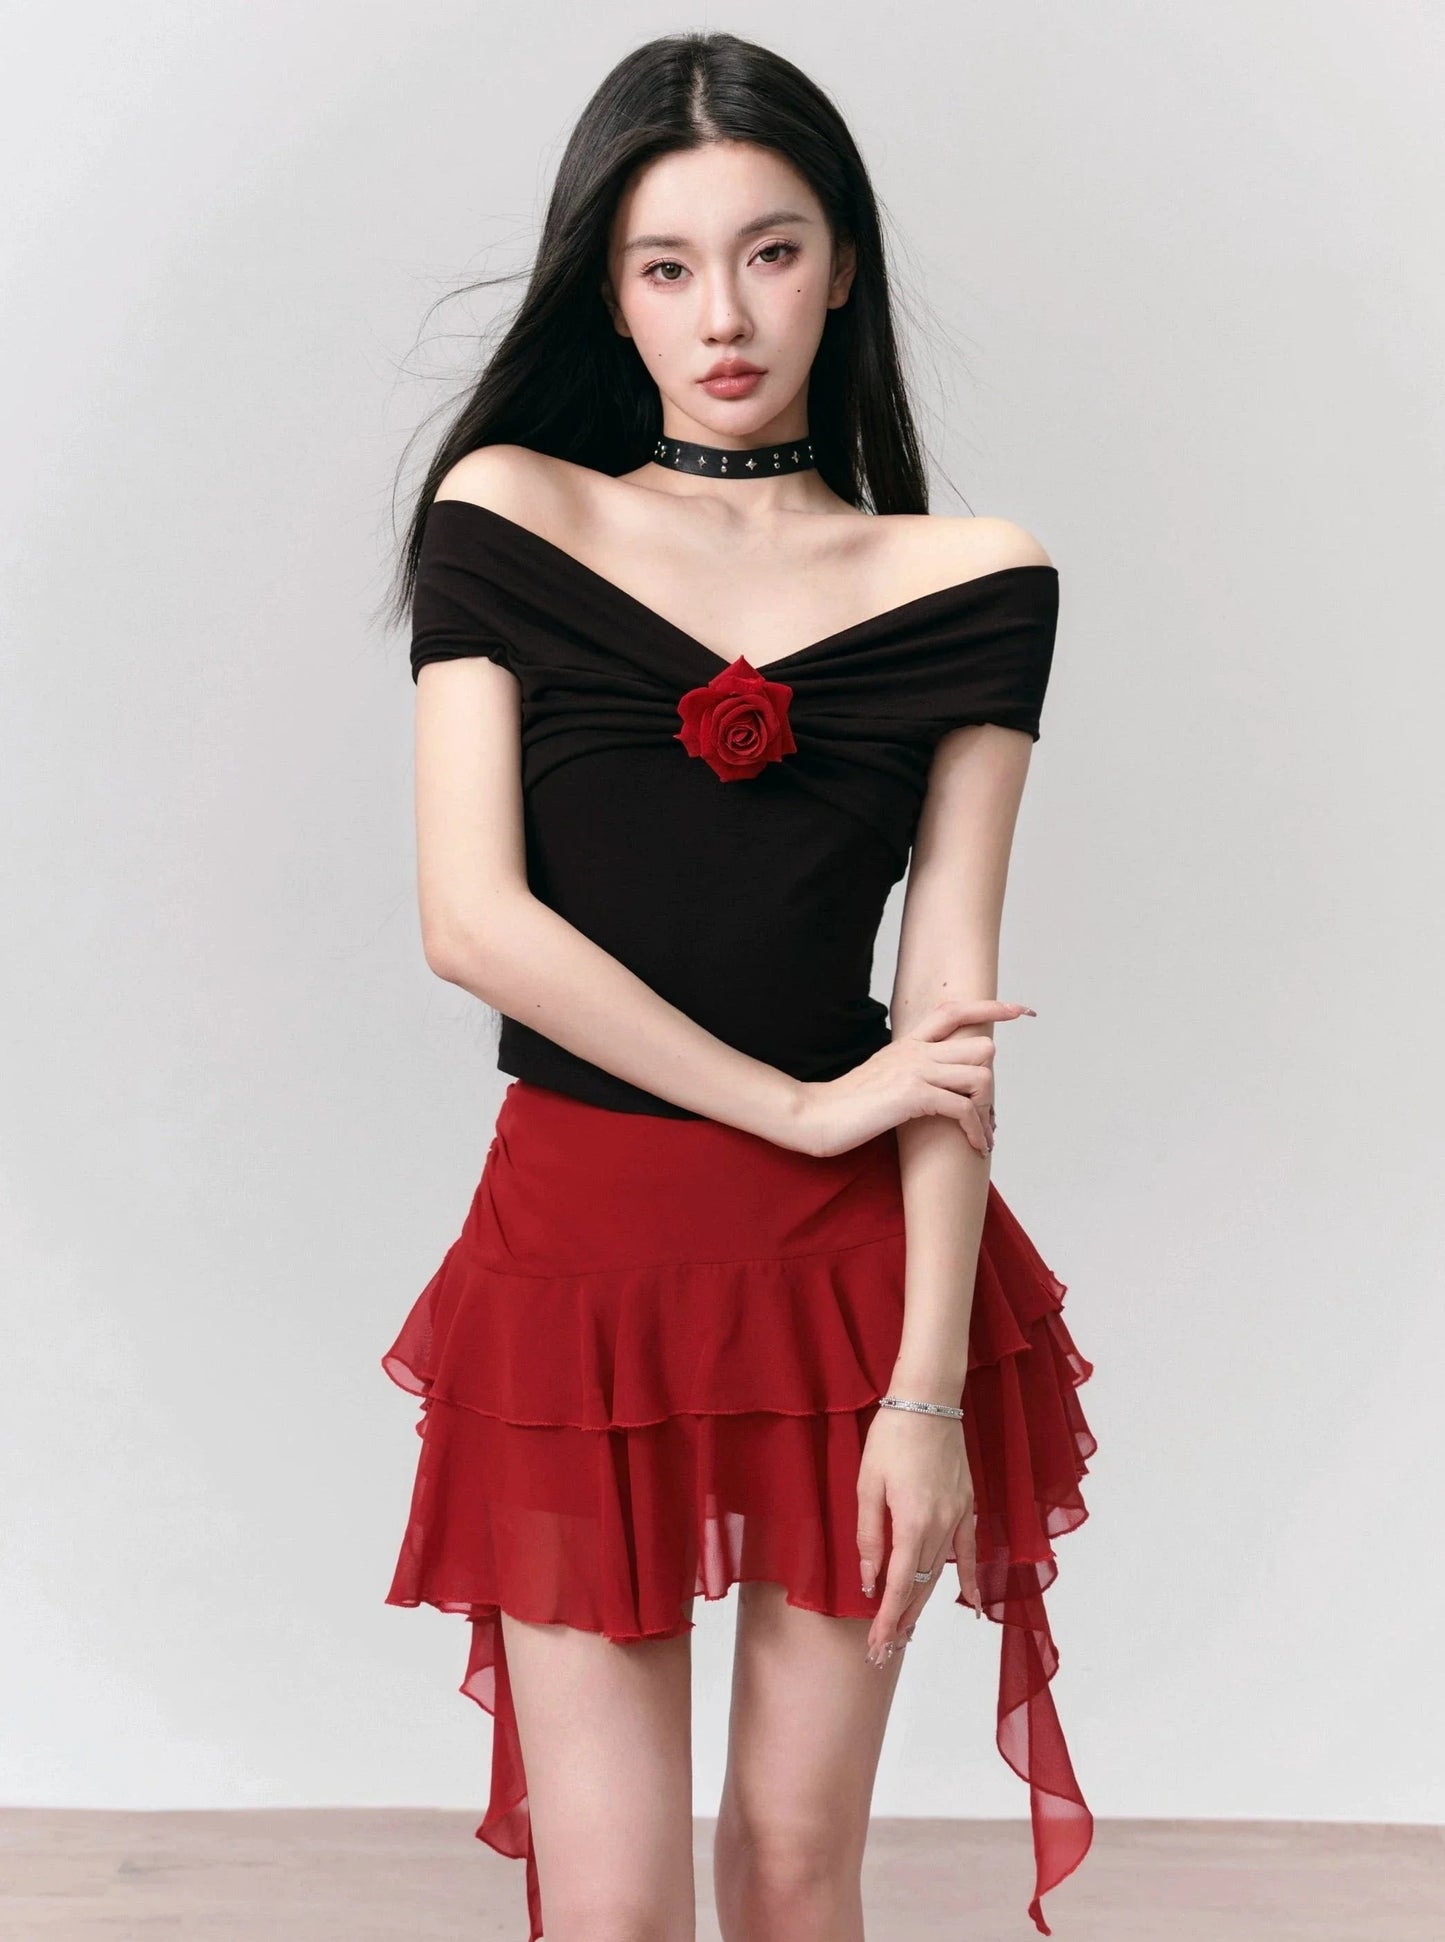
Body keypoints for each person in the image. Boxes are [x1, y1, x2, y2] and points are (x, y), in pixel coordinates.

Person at [379, 29, 1096, 1942]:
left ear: (840, 265)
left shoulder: (974, 577)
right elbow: (471, 918)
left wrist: (926, 1393)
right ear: (608, 290)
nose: (722, 314)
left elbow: (948, 1007)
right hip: (580, 1257)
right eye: (666, 264)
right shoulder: (506, 512)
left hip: (850, 1279)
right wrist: (793, 1102)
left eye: (770, 253)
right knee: (616, 1906)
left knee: (793, 1865)